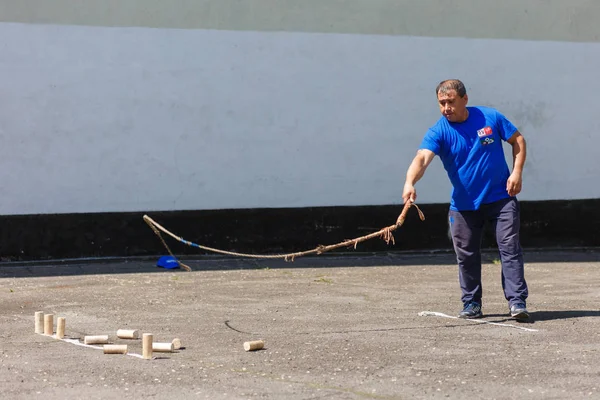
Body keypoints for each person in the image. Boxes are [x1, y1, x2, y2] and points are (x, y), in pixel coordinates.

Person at [402, 79, 529, 320]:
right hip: (463, 205)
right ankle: (471, 303)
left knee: (509, 249)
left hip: (501, 198)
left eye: (451, 102)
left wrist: (517, 172)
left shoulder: (490, 117)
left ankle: (517, 302)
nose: (446, 108)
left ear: (465, 99)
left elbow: (518, 141)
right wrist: (410, 182)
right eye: (441, 103)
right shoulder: (439, 131)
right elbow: (422, 158)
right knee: (467, 255)